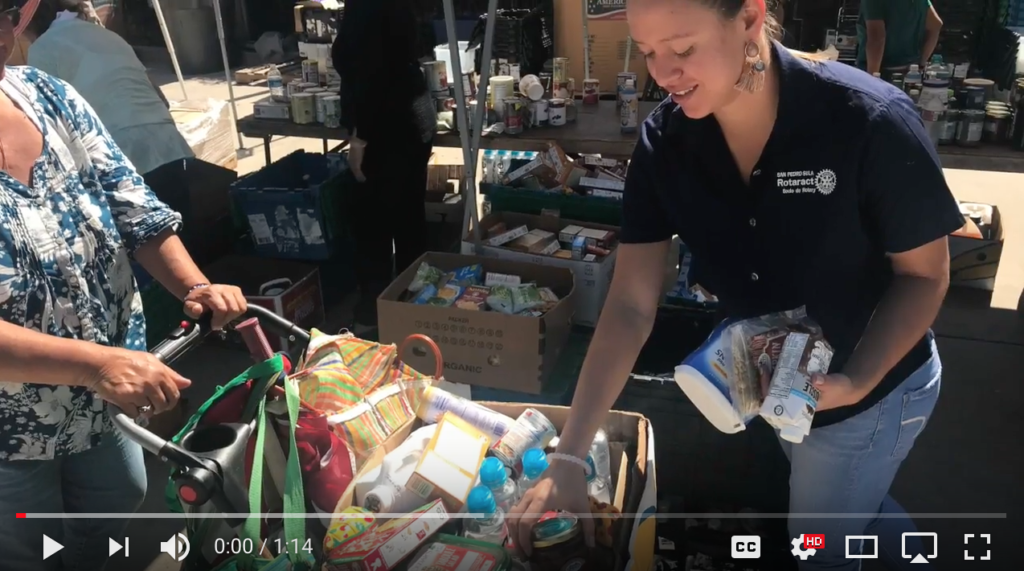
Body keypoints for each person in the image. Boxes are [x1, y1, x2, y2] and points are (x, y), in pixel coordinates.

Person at [508, 1, 963, 570]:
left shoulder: (867, 120)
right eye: (649, 53)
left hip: (872, 389)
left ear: (749, 18)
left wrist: (856, 378)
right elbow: (628, 306)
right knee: (848, 509)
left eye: (682, 48)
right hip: (782, 383)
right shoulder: (666, 144)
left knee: (819, 546)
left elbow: (925, 275)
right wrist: (568, 460)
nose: (663, 74)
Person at [0, 3, 247, 569]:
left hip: (102, 402)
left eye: (3, 15)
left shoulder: (48, 96)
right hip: (10, 432)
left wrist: (195, 285)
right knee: (26, 550)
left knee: (114, 502)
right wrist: (95, 364)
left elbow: (133, 209)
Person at [22, 0, 200, 231]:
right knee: (184, 238)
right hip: (167, 141)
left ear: (31, 22)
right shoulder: (110, 37)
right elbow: (158, 96)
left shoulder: (42, 49)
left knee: (143, 249)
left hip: (120, 154)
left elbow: (46, 122)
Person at [332, 0, 436, 332]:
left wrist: (360, 137)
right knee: (408, 215)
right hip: (412, 114)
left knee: (373, 221)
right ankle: (413, 304)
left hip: (385, 125)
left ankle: (375, 314)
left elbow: (368, 72)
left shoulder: (366, 9)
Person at [858, 0, 943, 76]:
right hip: (911, 73)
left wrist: (872, 78)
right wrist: (921, 62)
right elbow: (936, 25)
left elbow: (877, 38)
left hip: (882, 73)